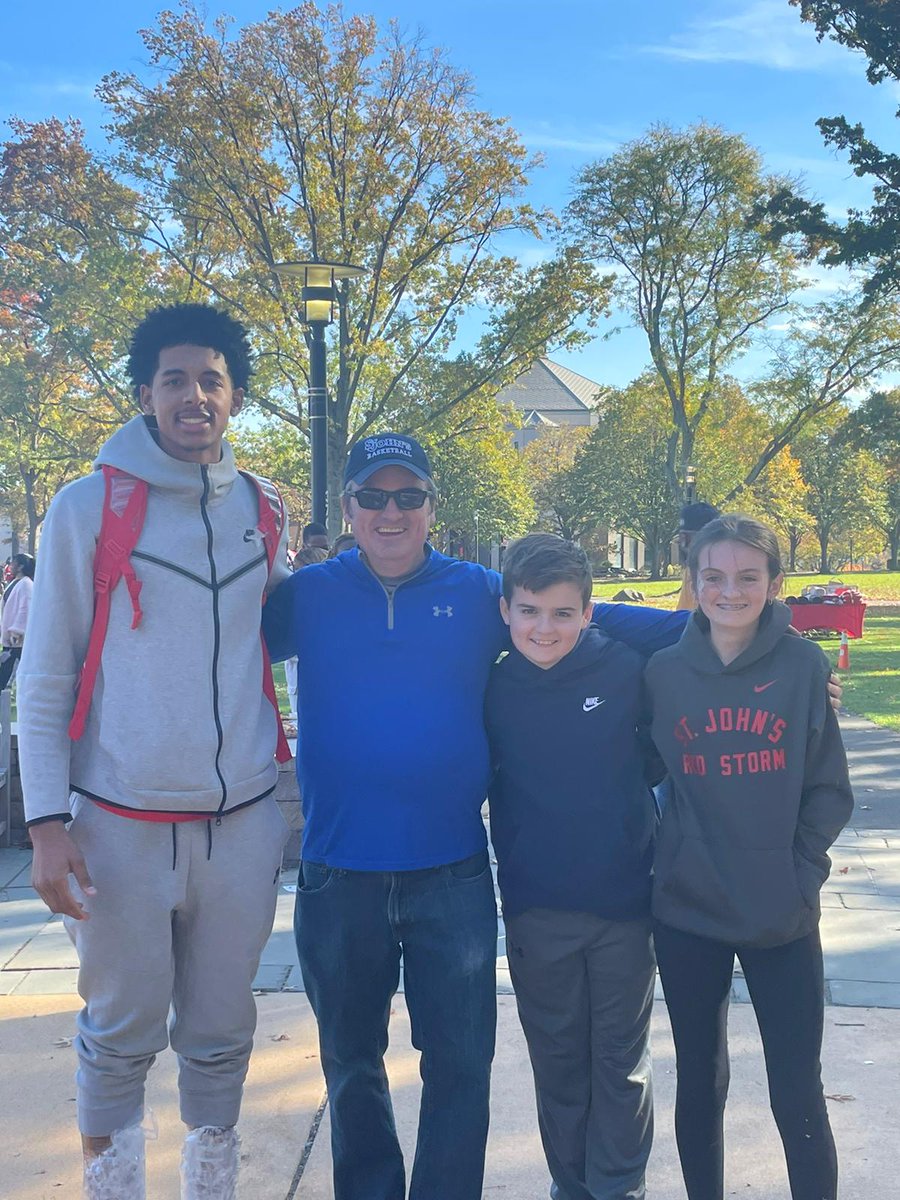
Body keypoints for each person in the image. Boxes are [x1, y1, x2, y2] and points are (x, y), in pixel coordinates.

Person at [262, 432, 688, 1200]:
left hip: (451, 873)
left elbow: (594, 616)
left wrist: (764, 639)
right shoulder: (309, 595)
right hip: (338, 872)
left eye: (410, 496)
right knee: (352, 1064)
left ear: (432, 505)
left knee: (460, 1065)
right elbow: (209, 643)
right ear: (349, 506)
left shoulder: (476, 591)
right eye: (373, 496)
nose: (391, 512)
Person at [17, 302, 291, 1200]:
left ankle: (210, 1188)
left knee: (220, 1034)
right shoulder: (86, 505)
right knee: (120, 1034)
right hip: (119, 826)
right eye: (174, 379)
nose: (194, 396)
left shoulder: (264, 511)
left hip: (241, 826)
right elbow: (45, 677)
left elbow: (277, 647)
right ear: (145, 392)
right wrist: (47, 823)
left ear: (236, 396)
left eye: (211, 379)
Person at [644, 513, 853, 1200]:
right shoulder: (664, 673)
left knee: (796, 1090)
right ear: (693, 582)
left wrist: (798, 874)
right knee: (699, 1084)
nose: (729, 591)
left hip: (781, 913)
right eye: (713, 576)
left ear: (774, 584)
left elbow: (829, 791)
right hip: (688, 911)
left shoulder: (804, 667)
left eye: (747, 577)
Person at [485, 533, 661, 1200]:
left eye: (563, 613)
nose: (544, 628)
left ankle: (619, 1187)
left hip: (624, 902)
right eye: (529, 611)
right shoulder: (494, 684)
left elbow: (709, 646)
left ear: (591, 612)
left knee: (621, 1064)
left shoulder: (628, 669)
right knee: (558, 1061)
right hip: (536, 905)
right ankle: (572, 1184)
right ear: (506, 610)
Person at [675, 501, 720, 610]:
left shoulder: (716, 569)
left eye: (685, 538)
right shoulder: (692, 567)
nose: (681, 543)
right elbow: (685, 614)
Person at [0, 552, 35, 690]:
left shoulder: (26, 584)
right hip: (12, 638)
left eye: (13, 563)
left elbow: (25, 609)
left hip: (18, 638)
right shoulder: (16, 583)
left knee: (7, 667)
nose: (10, 566)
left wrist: (18, 630)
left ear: (20, 566)